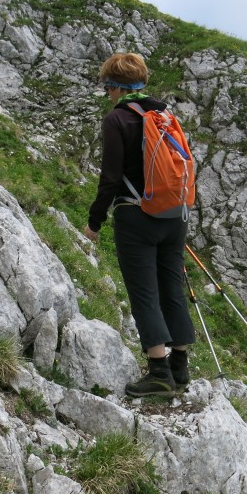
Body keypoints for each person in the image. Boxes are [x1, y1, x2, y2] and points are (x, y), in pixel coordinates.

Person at [82, 52, 196, 398]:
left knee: (144, 292)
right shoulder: (164, 116)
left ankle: (158, 372)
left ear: (113, 86)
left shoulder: (117, 119)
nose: (108, 93)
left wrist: (94, 222)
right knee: (171, 288)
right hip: (175, 216)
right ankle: (180, 364)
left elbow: (111, 178)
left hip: (136, 216)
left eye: (107, 87)